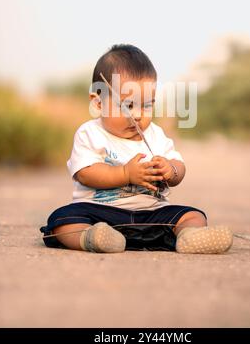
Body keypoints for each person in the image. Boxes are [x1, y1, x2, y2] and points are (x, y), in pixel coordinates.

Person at [40, 44, 233, 254]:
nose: (139, 115)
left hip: (151, 214)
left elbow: (179, 167)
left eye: (147, 105)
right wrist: (125, 174)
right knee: (62, 219)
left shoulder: (155, 135)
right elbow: (85, 173)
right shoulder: (90, 133)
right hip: (101, 214)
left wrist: (171, 170)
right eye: (129, 106)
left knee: (194, 216)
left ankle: (189, 237)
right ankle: (92, 237)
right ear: (98, 104)